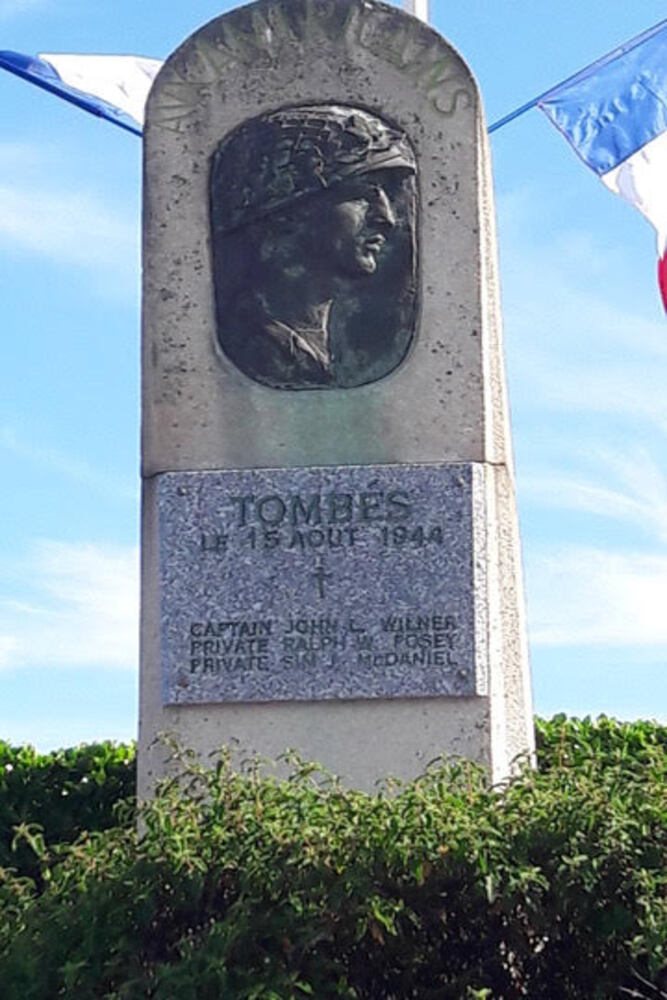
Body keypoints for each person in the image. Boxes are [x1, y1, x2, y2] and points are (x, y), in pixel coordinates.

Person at [210, 104, 417, 389]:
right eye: (361, 194)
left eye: (387, 197)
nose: (387, 218)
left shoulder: (362, 343)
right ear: (286, 211)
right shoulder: (247, 341)